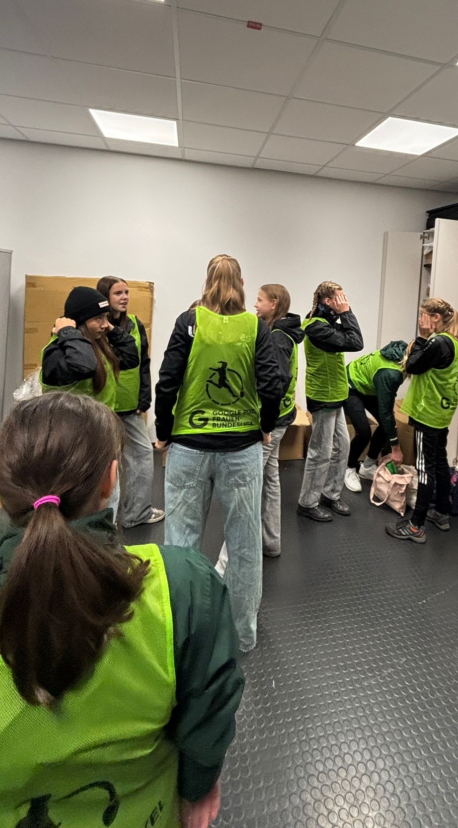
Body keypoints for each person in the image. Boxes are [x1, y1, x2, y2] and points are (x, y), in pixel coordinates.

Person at [0, 392, 243, 828]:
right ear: (110, 482)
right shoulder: (184, 589)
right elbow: (209, 715)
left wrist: (9, 529)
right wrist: (198, 787)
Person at [154, 255, 284, 653]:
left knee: (180, 543)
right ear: (241, 283)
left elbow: (167, 380)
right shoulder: (255, 327)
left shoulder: (188, 322)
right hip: (241, 447)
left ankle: (181, 635)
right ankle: (242, 634)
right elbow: (273, 383)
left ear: (207, 281)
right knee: (244, 545)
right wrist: (266, 425)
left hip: (189, 446)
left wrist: (163, 432)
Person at [216, 284, 304, 574]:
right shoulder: (284, 332)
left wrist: (265, 420)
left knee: (248, 486)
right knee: (270, 477)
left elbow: (276, 380)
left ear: (274, 304)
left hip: (273, 420)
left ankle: (226, 562)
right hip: (283, 415)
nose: (255, 304)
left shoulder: (277, 337)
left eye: (259, 300)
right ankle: (271, 541)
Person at [41, 285, 139, 518]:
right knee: (82, 510)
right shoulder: (57, 350)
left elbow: (131, 357)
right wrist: (68, 332)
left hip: (102, 438)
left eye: (106, 317)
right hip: (73, 445)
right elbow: (83, 366)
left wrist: (109, 329)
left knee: (107, 504)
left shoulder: (98, 345)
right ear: (78, 322)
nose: (105, 324)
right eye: (98, 319)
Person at [385, 298, 458, 542]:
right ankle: (441, 512)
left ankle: (415, 526)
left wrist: (421, 337)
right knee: (440, 463)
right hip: (441, 414)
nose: (420, 319)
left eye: (423, 315)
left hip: (427, 414)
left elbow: (412, 365)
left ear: (435, 318)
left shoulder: (438, 342)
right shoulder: (457, 343)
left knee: (425, 469)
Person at [97, 276, 165, 528]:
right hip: (103, 407)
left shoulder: (135, 324)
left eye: (126, 292)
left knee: (143, 454)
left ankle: (136, 513)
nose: (124, 297)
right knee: (106, 463)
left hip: (129, 406)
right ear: (105, 297)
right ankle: (104, 518)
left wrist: (145, 396)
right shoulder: (96, 326)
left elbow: (143, 363)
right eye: (118, 293)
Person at [297, 281, 363, 522]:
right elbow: (356, 342)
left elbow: (351, 338)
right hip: (322, 395)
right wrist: (347, 313)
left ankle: (330, 494)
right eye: (341, 298)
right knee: (321, 452)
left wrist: (343, 314)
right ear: (328, 301)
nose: (345, 302)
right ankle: (307, 502)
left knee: (342, 447)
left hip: (336, 394)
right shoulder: (316, 327)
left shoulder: (329, 323)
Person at [343, 340, 407, 493]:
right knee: (364, 432)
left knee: (386, 426)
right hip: (351, 384)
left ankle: (367, 467)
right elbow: (385, 412)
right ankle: (349, 468)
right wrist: (396, 448)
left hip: (368, 386)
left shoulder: (403, 355)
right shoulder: (391, 373)